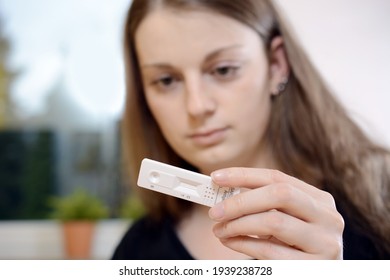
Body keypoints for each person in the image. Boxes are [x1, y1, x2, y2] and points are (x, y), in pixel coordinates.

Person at [112, 0, 390, 260]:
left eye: (223, 70)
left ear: (276, 66)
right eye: (166, 80)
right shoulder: (136, 251)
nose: (196, 106)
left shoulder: (380, 201)